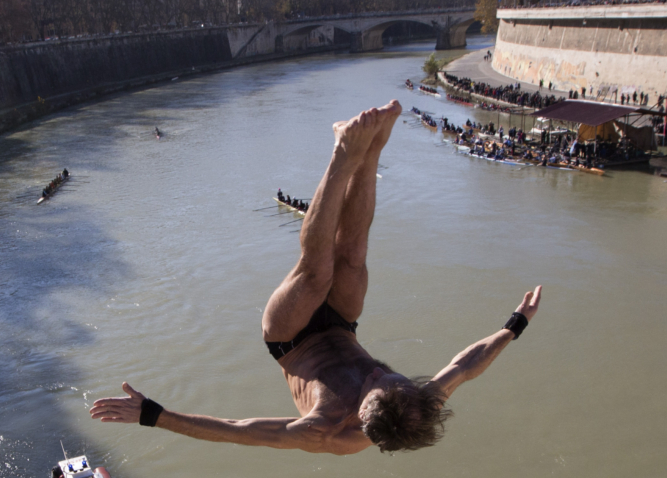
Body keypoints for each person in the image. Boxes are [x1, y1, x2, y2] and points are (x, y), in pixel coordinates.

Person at [90, 101, 543, 454]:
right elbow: (466, 367)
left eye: (371, 385)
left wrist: (154, 414)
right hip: (342, 326)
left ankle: (344, 150)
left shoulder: (324, 431)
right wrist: (514, 326)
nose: (374, 374)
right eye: (386, 377)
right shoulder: (416, 402)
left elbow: (236, 431)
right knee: (352, 259)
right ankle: (371, 153)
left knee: (316, 274)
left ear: (363, 414)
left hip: (290, 339)